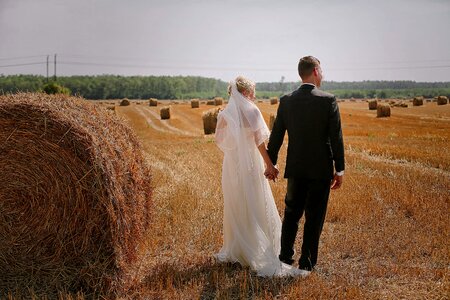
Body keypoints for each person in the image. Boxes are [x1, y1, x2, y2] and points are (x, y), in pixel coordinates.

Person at [214, 75, 308, 277]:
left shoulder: (225, 114)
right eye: (253, 91)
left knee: (237, 203)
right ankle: (255, 249)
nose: (254, 95)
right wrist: (270, 164)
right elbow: (259, 142)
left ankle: (237, 249)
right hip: (250, 164)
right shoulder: (252, 111)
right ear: (246, 92)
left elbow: (221, 140)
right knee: (255, 202)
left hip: (231, 166)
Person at [266, 56, 345, 271]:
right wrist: (340, 169)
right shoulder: (328, 100)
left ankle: (284, 258)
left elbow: (276, 135)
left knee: (291, 214)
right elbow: (336, 138)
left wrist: (270, 163)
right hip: (320, 170)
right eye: (323, 71)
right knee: (314, 217)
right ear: (316, 71)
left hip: (296, 168)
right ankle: (306, 263)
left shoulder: (287, 100)